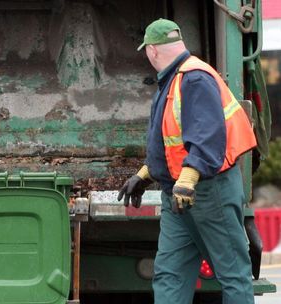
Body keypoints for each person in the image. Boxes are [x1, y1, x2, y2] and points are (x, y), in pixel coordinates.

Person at [118, 19, 257, 303]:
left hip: (209, 191)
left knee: (232, 273)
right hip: (179, 197)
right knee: (170, 274)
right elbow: (172, 141)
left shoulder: (194, 78)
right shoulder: (175, 79)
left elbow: (207, 138)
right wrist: (145, 174)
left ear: (153, 51)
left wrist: (188, 180)